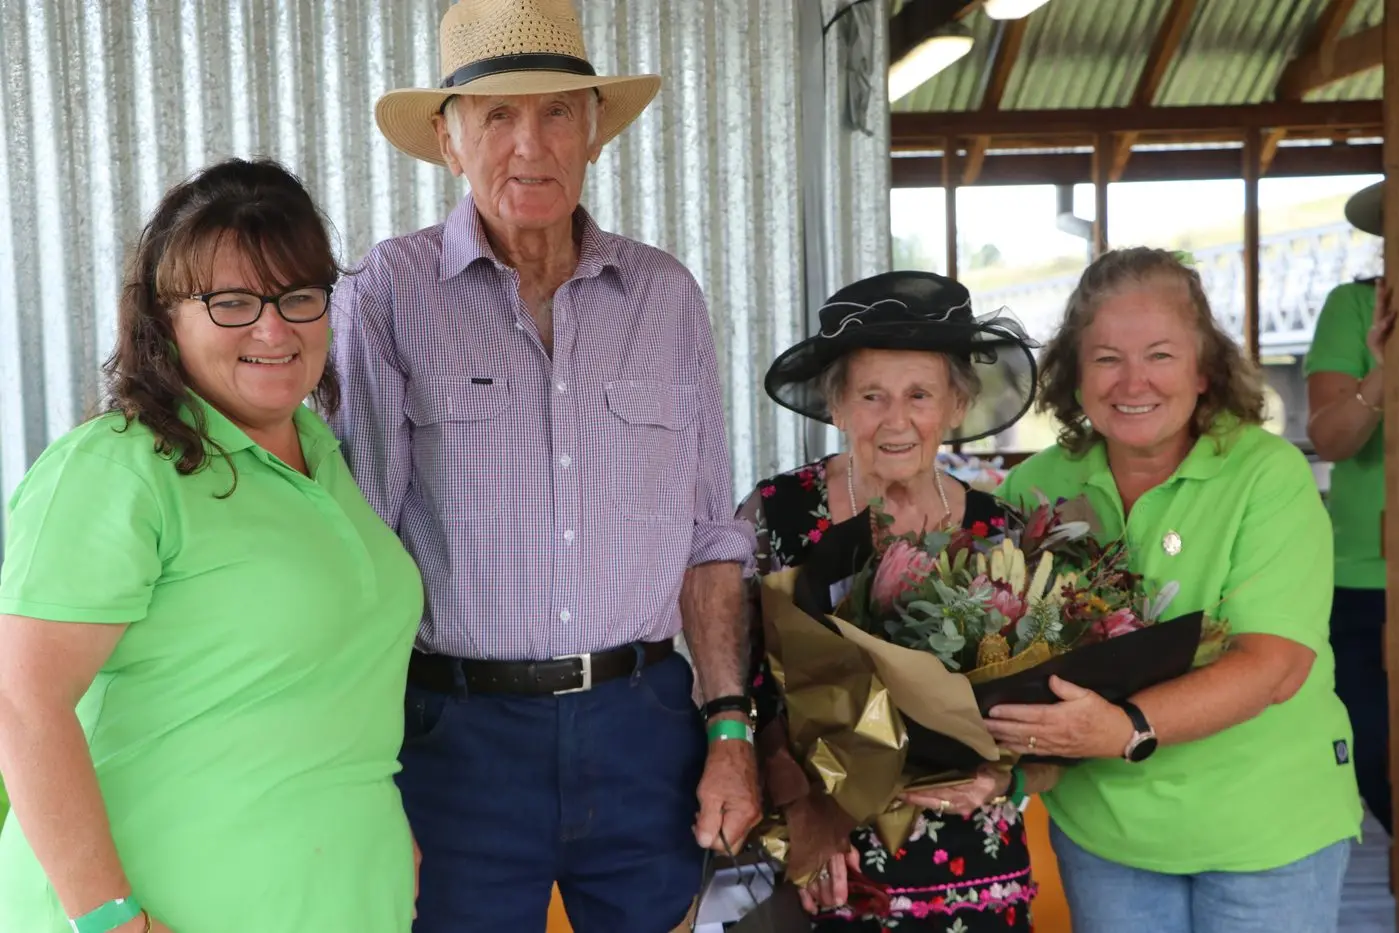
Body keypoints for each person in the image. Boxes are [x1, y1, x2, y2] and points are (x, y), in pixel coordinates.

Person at [333, 1, 759, 930]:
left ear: (596, 130)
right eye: (497, 116)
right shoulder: (386, 293)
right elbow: (358, 550)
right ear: (448, 140)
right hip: (458, 737)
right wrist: (357, 770)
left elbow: (708, 537)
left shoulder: (665, 295)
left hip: (643, 724)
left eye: (558, 111)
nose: (531, 144)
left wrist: (729, 728)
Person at [0, 159, 423, 933]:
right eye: (231, 302)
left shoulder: (321, 458)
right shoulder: (118, 467)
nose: (273, 327)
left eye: (298, 296)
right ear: (164, 319)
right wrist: (109, 919)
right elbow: (21, 705)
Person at [991, 247, 1361, 933]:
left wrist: (1124, 727)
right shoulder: (1032, 485)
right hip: (1106, 833)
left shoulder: (1266, 476)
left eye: (1159, 354)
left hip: (1265, 828)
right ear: (1074, 374)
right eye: (1105, 358)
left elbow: (1274, 665)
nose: (1132, 381)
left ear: (1203, 370)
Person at [740, 271, 1059, 932]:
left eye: (919, 394)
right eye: (871, 395)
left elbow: (1048, 713)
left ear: (954, 403)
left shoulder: (1000, 532)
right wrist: (804, 806)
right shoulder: (777, 516)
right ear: (836, 405)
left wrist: (1001, 779)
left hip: (975, 862)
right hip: (826, 860)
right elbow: (741, 687)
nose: (895, 419)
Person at [1305, 178, 1394, 834]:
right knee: (1378, 763)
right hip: (1363, 582)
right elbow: (1330, 438)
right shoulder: (1351, 307)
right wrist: (1382, 365)